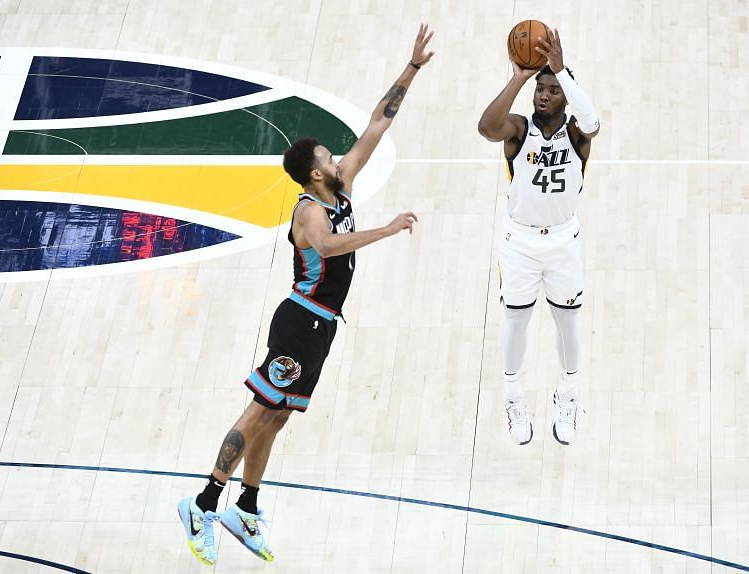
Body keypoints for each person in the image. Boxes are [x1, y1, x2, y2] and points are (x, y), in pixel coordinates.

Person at [177, 24, 435, 566]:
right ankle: (202, 502)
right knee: (257, 410)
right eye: (331, 157)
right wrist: (386, 230)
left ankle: (245, 505)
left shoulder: (340, 183)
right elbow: (330, 246)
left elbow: (376, 125)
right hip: (300, 319)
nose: (342, 158)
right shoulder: (309, 211)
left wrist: (410, 69)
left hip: (322, 326)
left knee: (280, 415)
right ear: (316, 173)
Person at [478, 28, 600, 446]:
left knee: (568, 320)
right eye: (539, 90)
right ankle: (513, 397)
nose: (542, 96)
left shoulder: (577, 134)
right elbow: (485, 127)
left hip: (564, 240)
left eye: (551, 90)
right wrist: (518, 77)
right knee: (516, 317)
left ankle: (568, 394)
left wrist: (560, 69)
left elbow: (593, 121)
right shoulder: (519, 129)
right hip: (520, 242)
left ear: (565, 95)